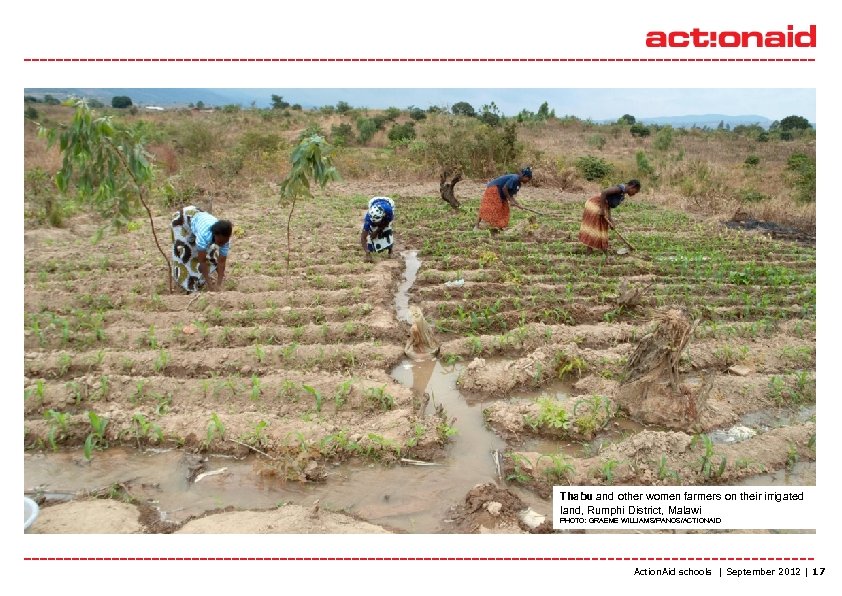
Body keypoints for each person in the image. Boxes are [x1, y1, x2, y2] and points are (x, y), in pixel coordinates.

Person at [171, 205, 232, 292]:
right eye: (221, 242)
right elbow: (202, 261)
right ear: (215, 235)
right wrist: (210, 285)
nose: (223, 244)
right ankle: (187, 285)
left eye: (225, 241)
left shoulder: (225, 240)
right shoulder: (204, 235)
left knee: (211, 253)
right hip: (182, 220)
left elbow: (222, 261)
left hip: (198, 219)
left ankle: (202, 279)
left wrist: (219, 284)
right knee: (186, 253)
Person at [578, 180, 641, 254]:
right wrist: (601, 209)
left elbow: (608, 205)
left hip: (602, 205)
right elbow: (604, 192)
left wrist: (610, 219)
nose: (634, 194)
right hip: (595, 204)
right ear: (632, 187)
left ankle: (602, 248)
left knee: (603, 225)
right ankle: (591, 250)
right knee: (594, 226)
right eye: (635, 191)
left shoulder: (622, 194)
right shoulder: (620, 189)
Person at [474, 167, 533, 231]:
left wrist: (518, 204)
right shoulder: (514, 178)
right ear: (525, 176)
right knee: (488, 207)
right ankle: (476, 226)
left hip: (502, 193)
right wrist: (510, 201)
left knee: (505, 210)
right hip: (494, 189)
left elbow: (511, 195)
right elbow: (504, 188)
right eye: (528, 179)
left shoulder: (518, 184)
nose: (528, 181)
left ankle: (500, 227)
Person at [361, 196, 396, 262]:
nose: (376, 224)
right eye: (374, 222)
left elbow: (386, 223)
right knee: (372, 229)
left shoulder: (389, 212)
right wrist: (367, 252)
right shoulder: (368, 219)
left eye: (377, 222)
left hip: (388, 202)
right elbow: (363, 237)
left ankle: (390, 251)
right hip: (373, 202)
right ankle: (371, 248)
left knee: (387, 229)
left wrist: (377, 231)